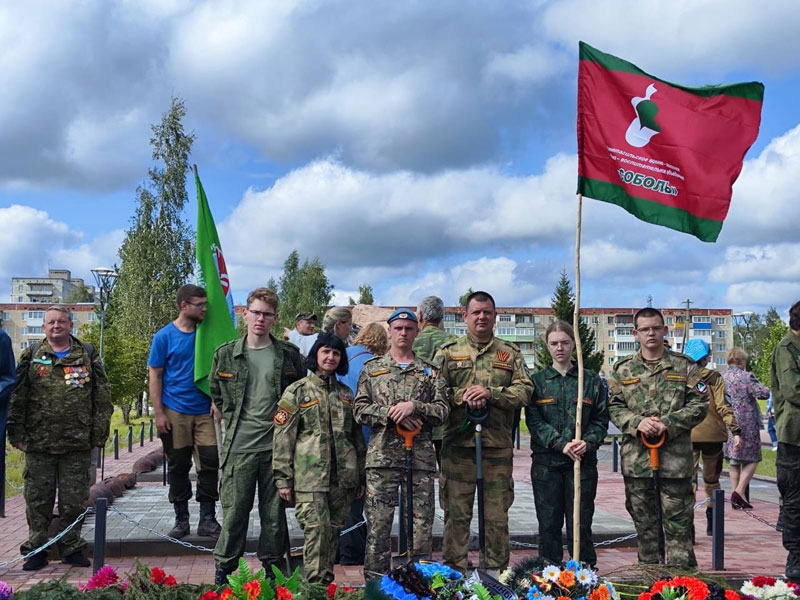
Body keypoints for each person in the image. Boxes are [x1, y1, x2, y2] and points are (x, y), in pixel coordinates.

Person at [209, 288, 306, 585]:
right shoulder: (226, 354)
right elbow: (216, 393)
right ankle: (224, 573)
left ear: (275, 319)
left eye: (267, 314)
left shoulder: (289, 355)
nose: (260, 319)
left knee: (274, 519)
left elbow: (301, 395)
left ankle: (273, 574)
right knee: (235, 514)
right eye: (256, 312)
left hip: (276, 451)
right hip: (239, 447)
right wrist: (230, 413)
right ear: (245, 314)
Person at [7, 305, 113, 570]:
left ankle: (71, 547)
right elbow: (18, 396)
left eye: (61, 321)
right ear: (44, 327)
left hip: (76, 443)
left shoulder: (87, 354)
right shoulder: (31, 355)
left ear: (70, 325)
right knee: (37, 500)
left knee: (74, 501)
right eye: (51, 322)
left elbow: (101, 397)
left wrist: (99, 433)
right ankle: (37, 549)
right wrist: (15, 431)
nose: (56, 326)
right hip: (39, 443)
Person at [436, 291, 533, 575]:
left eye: (487, 312)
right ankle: (454, 575)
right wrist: (463, 395)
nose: (482, 317)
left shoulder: (509, 353)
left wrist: (492, 393)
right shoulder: (448, 352)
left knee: (496, 516)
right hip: (457, 447)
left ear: (495, 316)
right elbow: (434, 392)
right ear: (464, 315)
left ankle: (495, 574)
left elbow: (525, 389)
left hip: (496, 448)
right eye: (476, 312)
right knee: (457, 515)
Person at [607, 307, 707, 568]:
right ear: (635, 333)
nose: (651, 333)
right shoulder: (623, 369)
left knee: (678, 531)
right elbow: (615, 407)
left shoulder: (684, 366)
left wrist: (668, 423)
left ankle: (682, 586)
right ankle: (649, 584)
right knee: (646, 531)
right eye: (645, 329)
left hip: (675, 464)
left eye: (656, 327)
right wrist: (638, 423)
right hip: (638, 463)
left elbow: (700, 404)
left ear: (664, 330)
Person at [353, 308, 449, 578]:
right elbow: (359, 410)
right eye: (398, 328)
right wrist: (391, 413)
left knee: (420, 529)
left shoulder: (430, 372)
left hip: (419, 461)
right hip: (382, 459)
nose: (403, 333)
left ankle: (417, 584)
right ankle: (376, 586)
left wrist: (415, 407)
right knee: (378, 529)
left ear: (416, 331)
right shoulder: (372, 370)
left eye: (409, 328)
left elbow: (443, 411)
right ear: (390, 331)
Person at [273, 333, 366, 584]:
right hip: (310, 477)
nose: (331, 357)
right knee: (316, 532)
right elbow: (283, 437)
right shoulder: (297, 391)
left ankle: (325, 583)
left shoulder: (346, 394)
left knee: (334, 533)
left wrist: (361, 478)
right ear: (315, 355)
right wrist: (283, 478)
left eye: (336, 353)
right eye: (326, 351)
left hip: (342, 479)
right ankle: (315, 587)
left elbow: (356, 438)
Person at [525, 321, 608, 567]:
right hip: (547, 465)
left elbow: (601, 419)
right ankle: (548, 575)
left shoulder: (590, 380)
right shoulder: (538, 381)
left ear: (574, 344)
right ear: (547, 346)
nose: (559, 348)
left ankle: (583, 573)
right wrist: (561, 444)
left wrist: (588, 442)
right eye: (554, 343)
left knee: (580, 523)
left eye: (565, 342)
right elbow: (534, 421)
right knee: (548, 523)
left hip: (581, 464)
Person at [148, 284, 222, 540]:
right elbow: (155, 375)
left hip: (205, 412)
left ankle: (208, 519)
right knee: (179, 465)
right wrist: (159, 413)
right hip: (175, 411)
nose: (205, 309)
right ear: (184, 306)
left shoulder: (206, 335)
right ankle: (181, 520)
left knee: (210, 463)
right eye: (199, 304)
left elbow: (219, 371)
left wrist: (217, 398)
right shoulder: (164, 337)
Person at [336, 322, 389, 566]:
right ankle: (353, 554)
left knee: (343, 499)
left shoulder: (341, 355)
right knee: (362, 499)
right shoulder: (377, 364)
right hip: (368, 438)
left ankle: (339, 550)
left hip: (338, 437)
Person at [684, 338, 741, 537]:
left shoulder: (681, 376)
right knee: (712, 482)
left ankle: (687, 529)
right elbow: (723, 405)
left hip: (687, 435)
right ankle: (712, 524)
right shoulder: (714, 377)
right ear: (706, 358)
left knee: (687, 482)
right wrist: (735, 430)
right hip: (713, 436)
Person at [771, 300, 800, 582]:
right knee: (794, 501)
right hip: (795, 437)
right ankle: (795, 558)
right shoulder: (786, 349)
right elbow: (793, 390)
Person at [722, 347, 770, 509]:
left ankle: (738, 498)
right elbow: (763, 393)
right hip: (747, 422)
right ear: (742, 361)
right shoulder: (746, 376)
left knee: (734, 460)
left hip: (728, 422)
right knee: (753, 458)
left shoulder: (721, 376)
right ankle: (739, 491)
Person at [413, 295, 457, 466]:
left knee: (417, 479)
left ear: (420, 317)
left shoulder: (410, 342)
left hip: (416, 422)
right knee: (451, 479)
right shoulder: (455, 343)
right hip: (448, 420)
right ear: (441, 318)